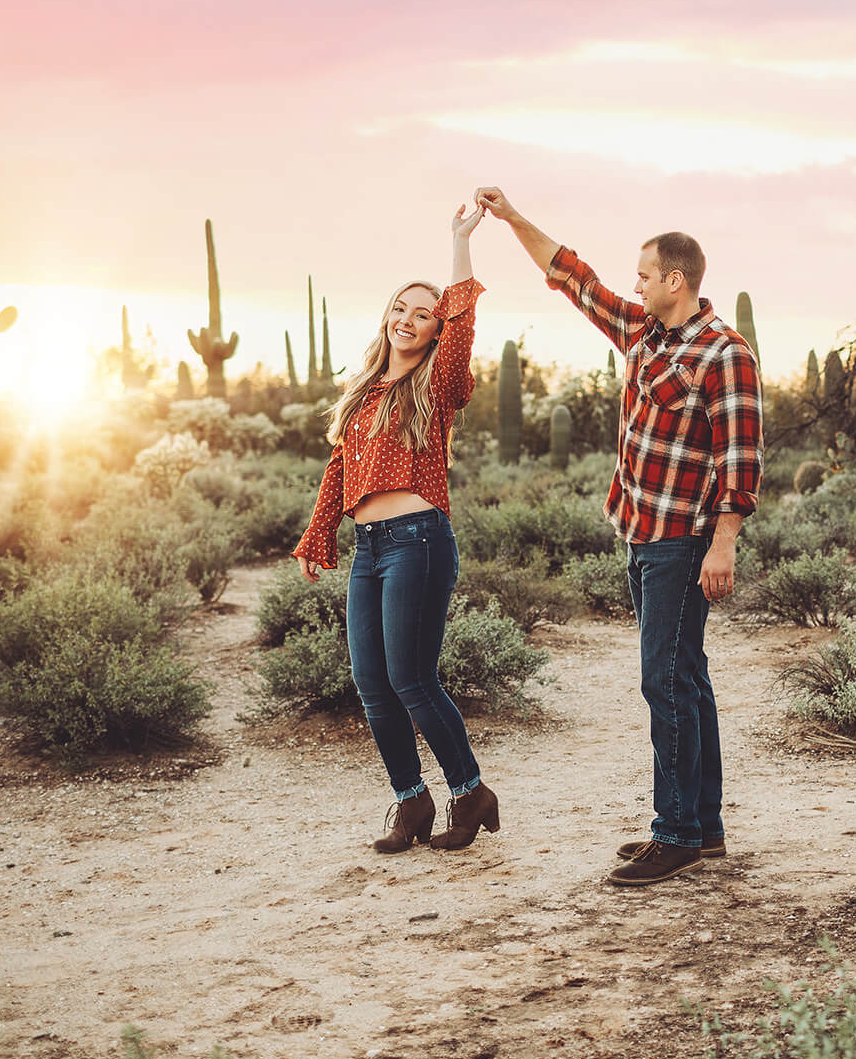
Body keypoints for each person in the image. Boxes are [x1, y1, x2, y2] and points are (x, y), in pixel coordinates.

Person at [474, 186, 761, 887]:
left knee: (664, 681)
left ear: (677, 280)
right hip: (638, 533)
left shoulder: (724, 353)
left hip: (682, 541)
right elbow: (572, 275)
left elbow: (742, 457)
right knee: (685, 678)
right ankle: (705, 827)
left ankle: (675, 833)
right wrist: (512, 217)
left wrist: (724, 543)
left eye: (644, 272)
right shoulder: (642, 332)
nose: (633, 282)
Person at [291, 204, 499, 854]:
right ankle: (412, 803)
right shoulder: (362, 390)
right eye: (400, 309)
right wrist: (317, 532)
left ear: (436, 330)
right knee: (372, 682)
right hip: (369, 549)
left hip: (418, 540)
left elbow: (463, 322)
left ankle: (470, 791)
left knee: (412, 678)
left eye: (423, 313)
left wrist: (459, 242)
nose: (407, 319)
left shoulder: (439, 382)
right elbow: (338, 466)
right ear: (386, 316)